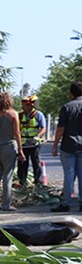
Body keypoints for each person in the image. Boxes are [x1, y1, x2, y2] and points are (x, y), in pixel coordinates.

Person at [0, 92, 24, 211]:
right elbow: (17, 133)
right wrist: (20, 149)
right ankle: (6, 204)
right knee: (7, 176)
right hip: (9, 147)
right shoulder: (13, 114)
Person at [51, 81, 82, 213]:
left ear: (71, 93)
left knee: (69, 175)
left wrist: (55, 145)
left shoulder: (67, 107)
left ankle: (66, 203)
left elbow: (60, 128)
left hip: (68, 145)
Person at [16, 95, 47, 187]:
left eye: (26, 105)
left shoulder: (38, 114)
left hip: (34, 144)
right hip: (23, 144)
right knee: (22, 163)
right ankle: (22, 182)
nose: (23, 107)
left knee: (36, 162)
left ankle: (38, 182)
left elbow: (43, 128)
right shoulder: (20, 115)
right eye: (23, 105)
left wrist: (38, 136)